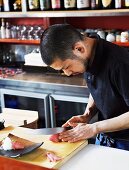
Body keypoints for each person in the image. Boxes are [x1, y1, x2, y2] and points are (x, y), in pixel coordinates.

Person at [40, 24, 129, 151]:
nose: (68, 73)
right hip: (106, 137)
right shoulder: (89, 54)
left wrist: (94, 128)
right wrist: (88, 114)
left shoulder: (121, 64)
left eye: (66, 67)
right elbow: (97, 85)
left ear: (79, 49)